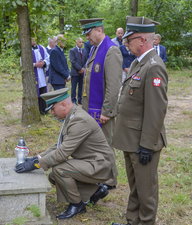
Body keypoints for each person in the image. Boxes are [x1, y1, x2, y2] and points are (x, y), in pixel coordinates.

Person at [15, 88, 117, 220]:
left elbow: (62, 152)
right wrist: (38, 157)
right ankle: (94, 191)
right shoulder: (73, 116)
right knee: (54, 176)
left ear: (63, 105)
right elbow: (60, 145)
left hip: (100, 165)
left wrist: (37, 164)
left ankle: (77, 205)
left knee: (60, 170)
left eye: (53, 109)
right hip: (91, 161)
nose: (52, 113)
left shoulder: (79, 120)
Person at [112, 16, 168, 225]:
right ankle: (132, 221)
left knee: (146, 190)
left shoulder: (153, 66)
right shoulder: (139, 63)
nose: (126, 43)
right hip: (131, 138)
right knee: (136, 186)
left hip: (142, 141)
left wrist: (147, 144)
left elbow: (156, 110)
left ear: (142, 40)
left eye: (130, 39)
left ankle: (145, 222)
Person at [78, 18, 122, 190]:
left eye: (89, 34)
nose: (87, 37)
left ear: (99, 30)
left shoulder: (111, 50)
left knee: (105, 144)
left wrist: (107, 110)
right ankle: (100, 175)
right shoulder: (95, 49)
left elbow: (113, 84)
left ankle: (110, 179)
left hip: (102, 111)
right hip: (91, 109)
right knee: (96, 144)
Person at [31, 37, 50, 114]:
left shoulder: (41, 48)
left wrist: (44, 62)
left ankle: (43, 109)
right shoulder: (27, 50)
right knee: (36, 91)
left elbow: (48, 57)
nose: (33, 41)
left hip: (41, 73)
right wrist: (35, 64)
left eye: (35, 39)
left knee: (42, 91)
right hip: (33, 74)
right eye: (32, 39)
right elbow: (23, 62)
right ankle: (37, 110)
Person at [69, 38, 88, 105]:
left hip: (82, 73)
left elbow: (86, 61)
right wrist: (80, 69)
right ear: (76, 43)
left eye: (82, 42)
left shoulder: (84, 51)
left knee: (81, 87)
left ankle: (80, 99)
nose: (81, 43)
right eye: (80, 42)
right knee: (74, 87)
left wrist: (83, 69)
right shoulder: (72, 51)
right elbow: (73, 61)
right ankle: (73, 100)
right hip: (75, 72)